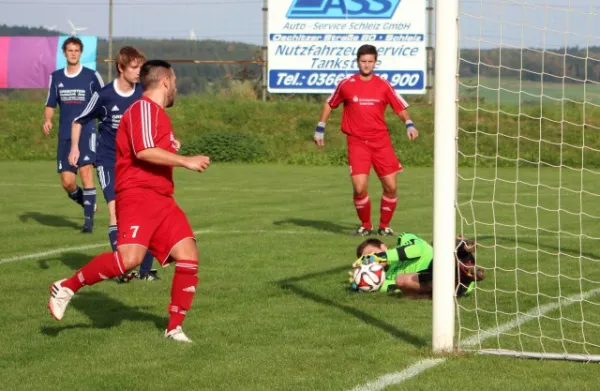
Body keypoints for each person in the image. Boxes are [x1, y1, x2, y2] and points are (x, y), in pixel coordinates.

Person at [47, 60, 211, 343]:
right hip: (138, 195)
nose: (176, 87)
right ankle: (66, 287)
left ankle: (174, 328)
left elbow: (153, 146)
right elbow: (144, 150)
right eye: (174, 82)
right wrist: (185, 161)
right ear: (165, 82)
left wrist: (172, 147)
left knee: (188, 255)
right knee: (129, 261)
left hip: (161, 198)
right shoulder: (143, 108)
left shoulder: (157, 114)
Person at [70, 46, 159, 282]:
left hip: (137, 162)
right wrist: (75, 147)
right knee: (115, 211)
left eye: (141, 66)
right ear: (121, 68)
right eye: (134, 67)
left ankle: (146, 271)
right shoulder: (105, 95)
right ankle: (123, 268)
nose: (139, 71)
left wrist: (168, 140)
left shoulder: (143, 93)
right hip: (109, 161)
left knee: (145, 212)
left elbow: (155, 120)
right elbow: (79, 120)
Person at [313, 44, 419, 237]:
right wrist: (320, 127)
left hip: (381, 142)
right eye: (363, 61)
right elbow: (329, 104)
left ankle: (384, 226)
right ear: (357, 61)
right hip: (357, 142)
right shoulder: (346, 84)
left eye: (370, 61)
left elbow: (399, 106)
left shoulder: (384, 85)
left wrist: (409, 123)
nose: (367, 65)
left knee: (391, 187)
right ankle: (366, 225)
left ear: (375, 62)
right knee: (360, 187)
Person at [44, 36, 104, 233]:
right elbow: (50, 104)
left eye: (76, 50)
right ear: (64, 53)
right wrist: (48, 120)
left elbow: (103, 101)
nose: (73, 53)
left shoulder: (91, 76)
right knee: (67, 182)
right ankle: (86, 203)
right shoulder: (56, 77)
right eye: (69, 50)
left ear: (80, 53)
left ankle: (88, 223)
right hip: (65, 135)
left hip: (87, 132)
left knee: (86, 173)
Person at [350, 233, 485, 298]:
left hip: (440, 262)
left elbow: (416, 249)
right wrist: (361, 282)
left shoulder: (404, 239)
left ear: (383, 246)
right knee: (401, 281)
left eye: (371, 254)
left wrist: (381, 257)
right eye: (367, 260)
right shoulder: (386, 276)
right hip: (437, 282)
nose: (372, 261)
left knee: (438, 241)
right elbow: (391, 287)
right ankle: (462, 277)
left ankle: (461, 249)